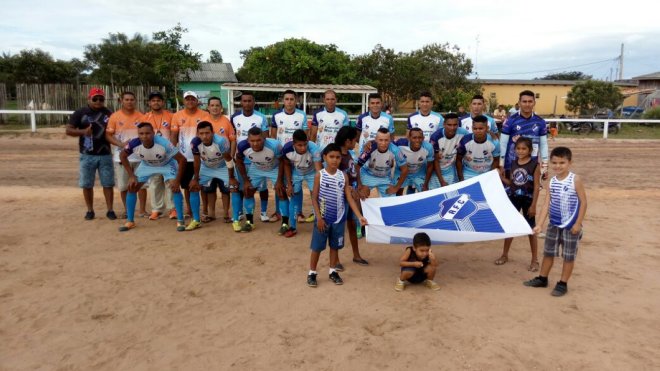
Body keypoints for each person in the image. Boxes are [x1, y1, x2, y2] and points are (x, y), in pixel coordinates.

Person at [524, 146, 587, 297]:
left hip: (570, 225)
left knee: (568, 255)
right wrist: (539, 224)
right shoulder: (551, 182)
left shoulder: (575, 180)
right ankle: (542, 278)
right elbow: (547, 203)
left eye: (562, 163)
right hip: (554, 224)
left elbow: (583, 202)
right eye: (555, 163)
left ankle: (562, 283)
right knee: (548, 253)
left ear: (569, 163)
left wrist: (578, 223)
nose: (558, 166)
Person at [307, 143, 368, 288]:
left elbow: (349, 198)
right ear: (324, 158)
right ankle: (312, 273)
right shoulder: (319, 176)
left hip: (339, 219)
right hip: (323, 220)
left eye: (338, 157)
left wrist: (359, 216)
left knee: (335, 246)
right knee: (317, 247)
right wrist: (319, 218)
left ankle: (333, 271)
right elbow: (314, 198)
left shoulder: (343, 176)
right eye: (331, 157)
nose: (335, 160)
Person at [117, 123, 187, 232]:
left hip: (167, 164)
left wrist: (177, 180)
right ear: (138, 134)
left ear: (153, 133)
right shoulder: (134, 144)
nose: (144, 136)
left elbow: (182, 160)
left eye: (147, 133)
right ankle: (130, 221)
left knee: (174, 187)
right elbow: (122, 155)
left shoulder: (164, 144)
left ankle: (180, 220)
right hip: (147, 165)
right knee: (132, 187)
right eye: (141, 134)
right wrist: (131, 176)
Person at [65, 87, 117, 220]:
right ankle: (90, 210)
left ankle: (110, 210)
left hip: (105, 153)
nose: (98, 101)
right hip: (87, 154)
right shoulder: (80, 113)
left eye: (101, 99)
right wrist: (83, 132)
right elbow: (69, 130)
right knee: (87, 184)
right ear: (89, 99)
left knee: (108, 183)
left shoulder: (109, 113)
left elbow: (114, 130)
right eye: (95, 98)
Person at [495, 137, 540, 271]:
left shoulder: (534, 165)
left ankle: (534, 260)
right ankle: (504, 255)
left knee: (531, 231)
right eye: (518, 148)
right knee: (510, 228)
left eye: (524, 149)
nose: (520, 151)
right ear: (514, 150)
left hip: (528, 200)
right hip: (514, 198)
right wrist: (500, 177)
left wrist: (533, 205)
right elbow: (512, 183)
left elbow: (537, 186)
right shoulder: (513, 163)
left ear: (530, 150)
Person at [234, 127, 290, 233]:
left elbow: (282, 161)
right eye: (252, 141)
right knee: (248, 191)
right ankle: (249, 222)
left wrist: (279, 181)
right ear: (248, 140)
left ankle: (285, 223)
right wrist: (245, 180)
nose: (255, 144)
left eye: (258, 140)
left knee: (281, 192)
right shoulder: (242, 146)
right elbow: (239, 160)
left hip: (274, 168)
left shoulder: (274, 145)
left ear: (264, 139)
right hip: (257, 168)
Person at [230, 91, 271, 223]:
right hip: (241, 158)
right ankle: (242, 212)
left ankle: (263, 212)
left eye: (249, 101)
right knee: (243, 186)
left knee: (262, 188)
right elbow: (233, 137)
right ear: (241, 102)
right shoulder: (234, 118)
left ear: (254, 102)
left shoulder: (261, 117)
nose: (247, 103)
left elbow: (265, 137)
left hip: (258, 159)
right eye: (244, 101)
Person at [187, 121, 236, 231]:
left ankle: (230, 216)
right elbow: (196, 161)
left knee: (232, 188)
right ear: (197, 134)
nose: (205, 136)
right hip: (206, 167)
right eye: (201, 133)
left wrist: (232, 178)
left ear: (213, 133)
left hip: (222, 166)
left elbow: (229, 160)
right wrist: (195, 179)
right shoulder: (195, 143)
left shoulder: (221, 141)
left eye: (207, 133)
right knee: (193, 188)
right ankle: (196, 220)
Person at [170, 91, 212, 217]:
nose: (190, 101)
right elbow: (174, 135)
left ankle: (204, 210)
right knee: (187, 185)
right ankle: (190, 209)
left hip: (202, 156)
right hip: (184, 157)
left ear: (197, 100)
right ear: (184, 101)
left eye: (192, 99)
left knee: (203, 185)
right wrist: (174, 151)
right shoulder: (177, 115)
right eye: (187, 99)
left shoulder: (205, 115)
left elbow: (209, 133)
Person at [105, 91, 146, 218]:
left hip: (140, 157)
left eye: (132, 99)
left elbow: (146, 133)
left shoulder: (141, 117)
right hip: (121, 157)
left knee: (142, 185)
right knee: (124, 186)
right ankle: (127, 210)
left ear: (135, 101)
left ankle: (143, 210)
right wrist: (120, 144)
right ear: (121, 101)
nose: (129, 102)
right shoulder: (115, 117)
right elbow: (108, 135)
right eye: (127, 99)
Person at [270, 90, 308, 223]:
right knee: (279, 183)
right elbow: (273, 137)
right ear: (283, 101)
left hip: (297, 155)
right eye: (287, 99)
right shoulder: (276, 115)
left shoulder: (302, 115)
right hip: (281, 156)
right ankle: (279, 212)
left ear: (296, 100)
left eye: (292, 99)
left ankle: (299, 212)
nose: (289, 101)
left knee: (296, 184)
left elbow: (304, 135)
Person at [334, 126, 369, 267]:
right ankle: (335, 259)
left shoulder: (348, 153)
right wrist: (349, 190)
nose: (356, 142)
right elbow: (334, 177)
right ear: (348, 141)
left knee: (352, 225)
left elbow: (354, 170)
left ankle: (356, 255)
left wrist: (359, 185)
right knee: (338, 229)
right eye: (355, 139)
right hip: (340, 198)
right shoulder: (336, 155)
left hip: (351, 196)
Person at [140, 91, 176, 221]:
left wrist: (171, 150)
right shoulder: (145, 118)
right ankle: (156, 209)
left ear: (163, 102)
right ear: (149, 103)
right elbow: (141, 135)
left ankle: (172, 208)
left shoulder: (170, 116)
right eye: (153, 100)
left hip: (168, 155)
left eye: (158, 100)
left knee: (170, 182)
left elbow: (174, 134)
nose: (156, 102)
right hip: (152, 156)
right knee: (155, 182)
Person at [281, 129, 322, 238]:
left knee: (317, 195)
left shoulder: (314, 149)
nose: (303, 148)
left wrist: (318, 186)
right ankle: (293, 227)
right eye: (299, 145)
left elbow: (319, 170)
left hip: (312, 173)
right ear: (293, 143)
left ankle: (318, 223)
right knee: (294, 195)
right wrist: (289, 185)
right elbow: (286, 165)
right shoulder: (287, 149)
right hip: (296, 173)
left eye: (305, 144)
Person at [499, 90, 548, 180]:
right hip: (511, 164)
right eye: (524, 101)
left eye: (530, 101)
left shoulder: (540, 122)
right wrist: (501, 164)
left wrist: (545, 165)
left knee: (531, 192)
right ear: (519, 103)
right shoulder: (510, 121)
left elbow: (543, 144)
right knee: (510, 192)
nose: (527, 104)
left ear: (534, 103)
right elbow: (503, 144)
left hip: (532, 165)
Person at [205, 96, 236, 223]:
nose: (215, 107)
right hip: (209, 163)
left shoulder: (226, 121)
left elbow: (233, 140)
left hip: (224, 162)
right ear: (208, 108)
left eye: (217, 105)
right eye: (212, 105)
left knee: (225, 190)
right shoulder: (204, 122)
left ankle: (225, 214)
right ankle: (211, 214)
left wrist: (232, 156)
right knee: (210, 190)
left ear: (221, 108)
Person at [356, 128, 408, 198]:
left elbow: (405, 169)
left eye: (386, 140)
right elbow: (357, 166)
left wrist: (396, 188)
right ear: (376, 139)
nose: (383, 143)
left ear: (390, 140)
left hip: (385, 178)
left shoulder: (395, 150)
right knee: (361, 195)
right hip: (368, 175)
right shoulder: (369, 147)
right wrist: (359, 184)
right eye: (380, 140)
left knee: (391, 202)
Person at [455, 116, 500, 181]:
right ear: (472, 128)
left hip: (487, 173)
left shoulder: (494, 141)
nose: (478, 131)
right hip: (468, 173)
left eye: (481, 128)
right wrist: (461, 178)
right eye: (475, 128)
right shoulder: (465, 140)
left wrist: (491, 175)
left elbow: (496, 160)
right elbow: (458, 159)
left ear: (487, 128)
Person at [430, 113, 469, 186]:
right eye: (449, 125)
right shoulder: (435, 137)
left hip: (450, 168)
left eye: (455, 125)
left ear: (458, 125)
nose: (452, 128)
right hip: (436, 169)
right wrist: (441, 181)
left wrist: (489, 132)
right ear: (444, 124)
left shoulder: (463, 132)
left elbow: (473, 136)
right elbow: (434, 160)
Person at [394, 128, 435, 194]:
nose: (417, 140)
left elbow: (430, 166)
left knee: (424, 193)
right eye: (414, 138)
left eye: (420, 137)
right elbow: (388, 147)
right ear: (409, 138)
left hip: (418, 173)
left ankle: (411, 195)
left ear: (423, 138)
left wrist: (426, 184)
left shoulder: (428, 147)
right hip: (401, 172)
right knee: (398, 192)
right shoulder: (400, 144)